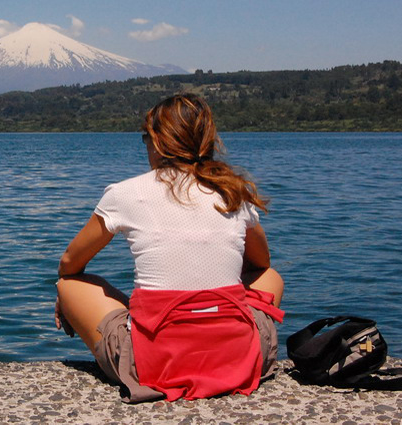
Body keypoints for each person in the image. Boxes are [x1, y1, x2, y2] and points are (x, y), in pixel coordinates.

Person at [55, 93, 284, 403]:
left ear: (158, 143)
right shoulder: (233, 193)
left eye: (146, 140)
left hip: (153, 366)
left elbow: (70, 263)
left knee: (69, 284)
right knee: (271, 276)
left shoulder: (124, 193)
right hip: (240, 360)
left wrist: (65, 303)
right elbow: (260, 263)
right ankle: (223, 341)